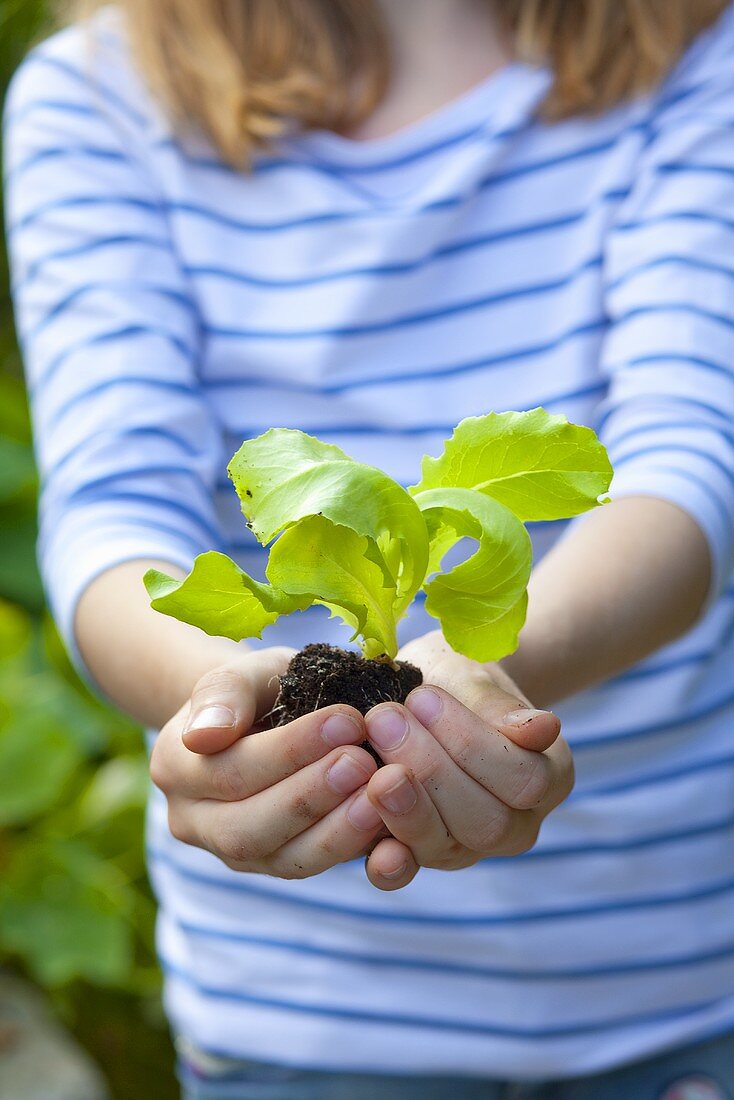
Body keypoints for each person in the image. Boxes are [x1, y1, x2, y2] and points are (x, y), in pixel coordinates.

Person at [6, 0, 734, 1096]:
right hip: (301, 1011)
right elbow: (114, 512)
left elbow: (686, 470)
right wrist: (215, 700)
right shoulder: (104, 94)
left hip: (656, 976)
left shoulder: (692, 51)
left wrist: (490, 673)